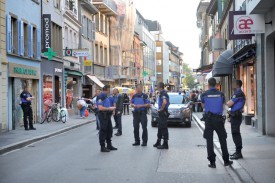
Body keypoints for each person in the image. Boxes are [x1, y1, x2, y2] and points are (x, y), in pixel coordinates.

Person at [201, 77, 233, 168]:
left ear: (208, 84)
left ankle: (212, 162)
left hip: (209, 120)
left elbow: (203, 105)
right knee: (223, 140)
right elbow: (223, 104)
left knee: (209, 141)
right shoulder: (221, 94)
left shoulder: (204, 94)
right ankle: (226, 161)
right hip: (219, 119)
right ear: (216, 84)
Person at [227, 80, 246, 160]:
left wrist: (229, 103)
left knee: (235, 133)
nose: (232, 84)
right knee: (235, 133)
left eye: (233, 83)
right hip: (236, 115)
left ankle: (239, 153)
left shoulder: (238, 93)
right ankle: (238, 152)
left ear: (237, 84)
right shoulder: (238, 92)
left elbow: (229, 104)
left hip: (236, 116)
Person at [96, 85, 117, 152]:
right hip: (103, 115)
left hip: (107, 115)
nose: (110, 90)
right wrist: (109, 108)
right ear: (107, 89)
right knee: (103, 130)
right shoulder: (100, 96)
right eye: (110, 89)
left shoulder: (107, 96)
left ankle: (109, 145)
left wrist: (112, 109)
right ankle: (102, 147)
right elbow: (100, 107)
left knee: (109, 130)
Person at [153, 82, 170, 149]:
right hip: (162, 113)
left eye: (157, 86)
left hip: (163, 112)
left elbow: (164, 102)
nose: (156, 87)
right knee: (160, 127)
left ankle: (165, 143)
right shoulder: (161, 93)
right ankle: (158, 141)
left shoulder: (163, 93)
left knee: (163, 127)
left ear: (160, 87)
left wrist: (161, 109)